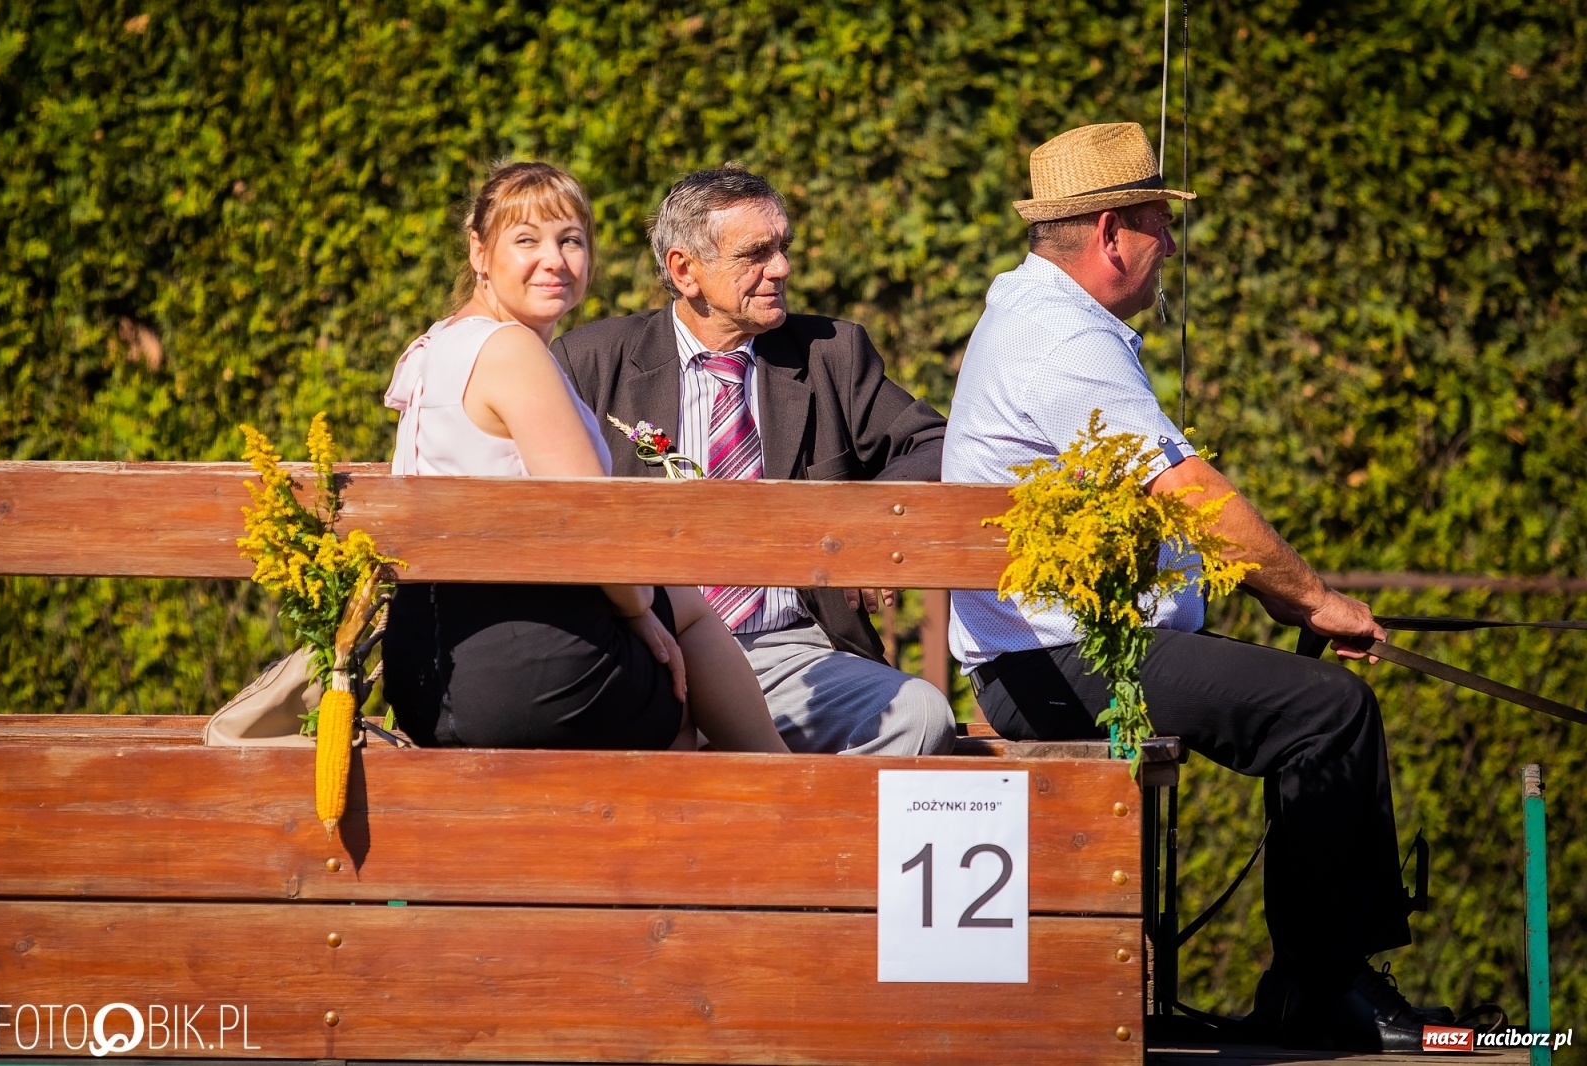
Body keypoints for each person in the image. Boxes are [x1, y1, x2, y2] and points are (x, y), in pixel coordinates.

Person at [944, 123, 1449, 1052]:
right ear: (1111, 234)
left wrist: (1279, 597)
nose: (1169, 246)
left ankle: (1316, 982)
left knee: (1315, 706)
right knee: (1327, 710)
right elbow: (1189, 492)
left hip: (1064, 653)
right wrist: (1311, 599)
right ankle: (1321, 990)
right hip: (1057, 664)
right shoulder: (1060, 337)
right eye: (1158, 224)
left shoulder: (1042, 315)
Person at [381, 161, 787, 756]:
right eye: (527, 240)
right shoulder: (512, 350)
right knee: (680, 650)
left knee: (668, 639)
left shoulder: (433, 346)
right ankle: (780, 782)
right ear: (478, 251)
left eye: (570, 240)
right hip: (520, 672)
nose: (554, 260)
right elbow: (593, 523)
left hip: (422, 669)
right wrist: (640, 611)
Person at [551, 164, 956, 756]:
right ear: (684, 270)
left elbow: (938, 443)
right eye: (756, 254)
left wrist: (861, 526)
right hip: (649, 648)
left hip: (791, 654)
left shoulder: (831, 355)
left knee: (920, 716)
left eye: (782, 247)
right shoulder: (592, 361)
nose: (782, 268)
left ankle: (802, 822)